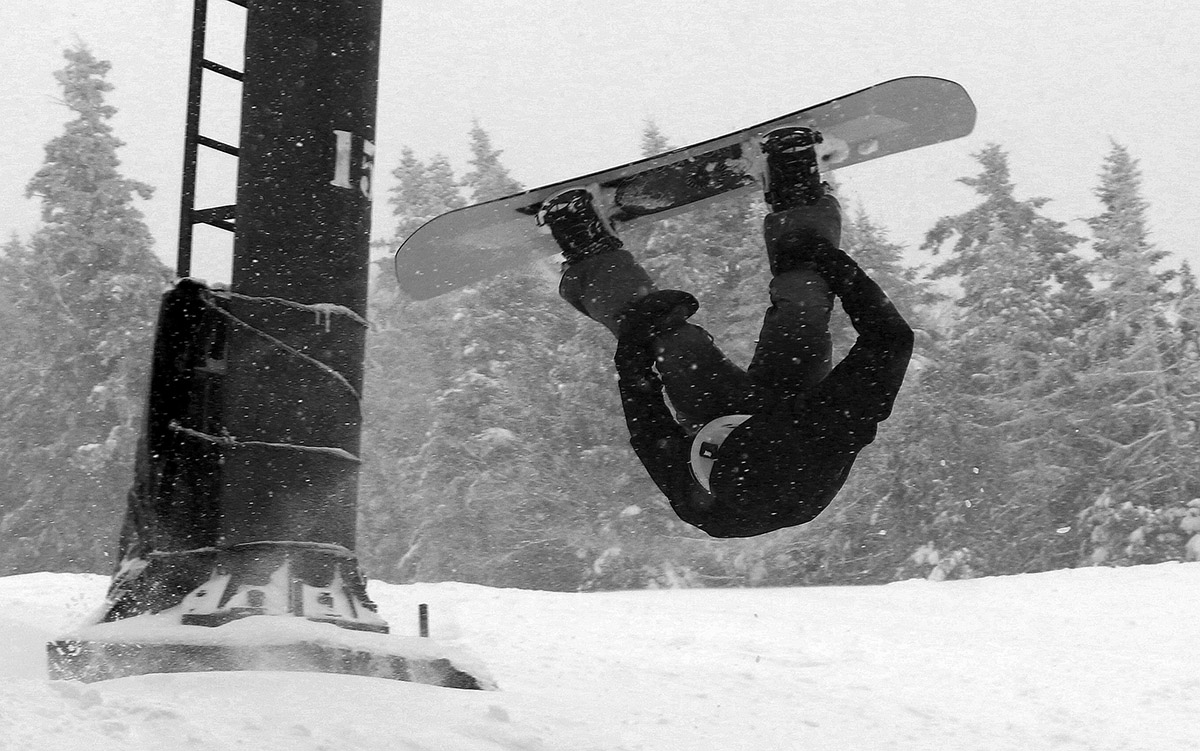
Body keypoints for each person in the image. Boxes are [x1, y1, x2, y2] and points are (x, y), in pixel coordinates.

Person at [537, 127, 914, 538]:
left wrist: (634, 348)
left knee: (670, 342)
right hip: (798, 402)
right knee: (805, 295)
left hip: (727, 414)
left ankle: (591, 256)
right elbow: (890, 338)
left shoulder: (696, 498)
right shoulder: (835, 426)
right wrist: (834, 264)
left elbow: (647, 423)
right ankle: (796, 198)